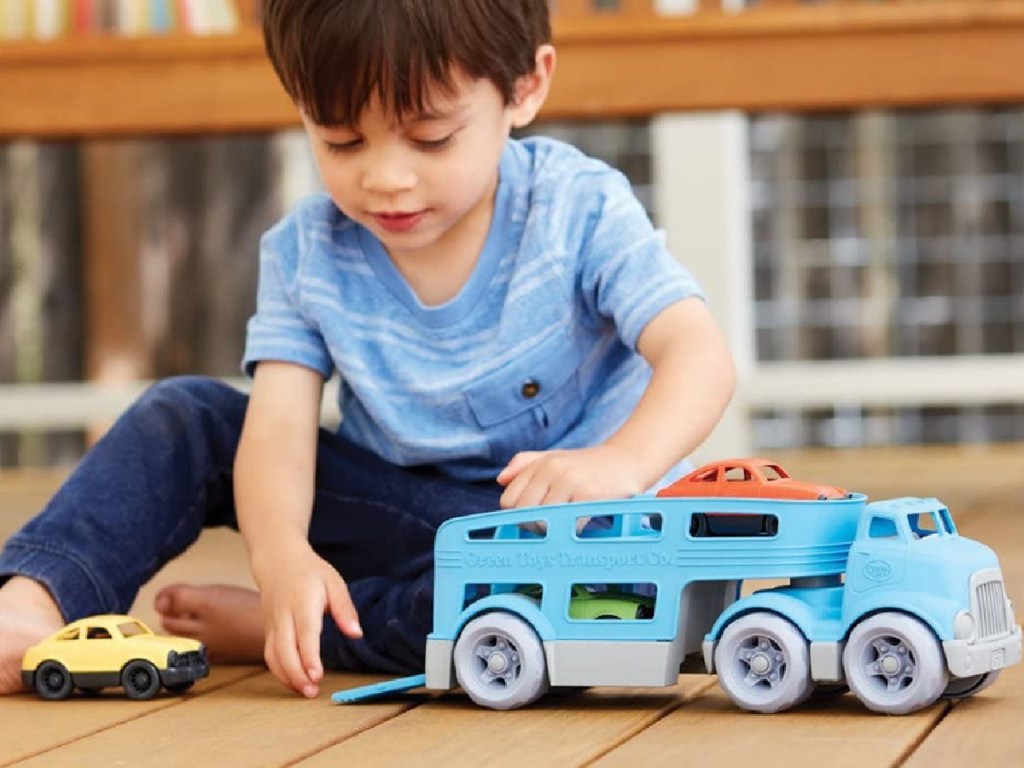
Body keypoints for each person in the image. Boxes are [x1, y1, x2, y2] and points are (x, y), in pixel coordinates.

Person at [0, 0, 735, 699]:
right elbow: (280, 430)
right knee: (186, 415)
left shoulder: (578, 207)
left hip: (574, 537)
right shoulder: (307, 251)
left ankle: (305, 630)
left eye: (431, 138)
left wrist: (621, 462)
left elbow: (698, 355)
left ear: (525, 86)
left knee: (520, 605)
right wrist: (281, 553)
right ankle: (35, 599)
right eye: (341, 140)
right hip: (401, 515)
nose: (385, 178)